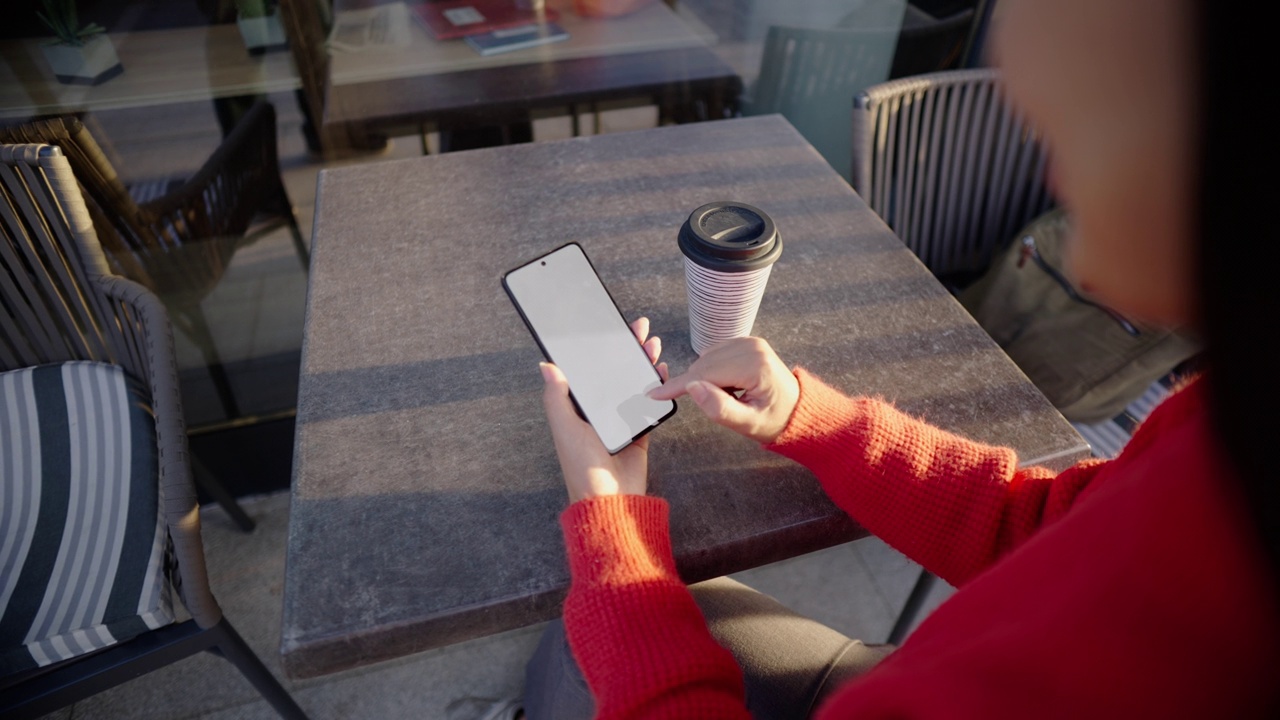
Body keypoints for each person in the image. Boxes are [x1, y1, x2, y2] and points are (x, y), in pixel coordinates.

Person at [471, 0, 1280, 717]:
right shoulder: (1217, 442)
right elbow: (1041, 527)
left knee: (593, 634)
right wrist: (806, 415)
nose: (1048, 217)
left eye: (1079, 138)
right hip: (915, 666)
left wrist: (611, 526)